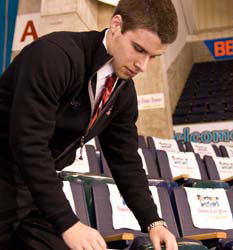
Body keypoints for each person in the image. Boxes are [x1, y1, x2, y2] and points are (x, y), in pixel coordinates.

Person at [0, 0, 178, 249]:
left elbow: (125, 160)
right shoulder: (55, 56)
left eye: (153, 56)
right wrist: (68, 223)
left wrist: (153, 222)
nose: (143, 65)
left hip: (34, 189)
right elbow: (28, 144)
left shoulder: (123, 91)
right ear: (116, 24)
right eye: (138, 48)